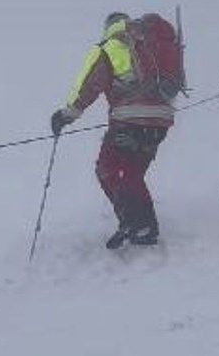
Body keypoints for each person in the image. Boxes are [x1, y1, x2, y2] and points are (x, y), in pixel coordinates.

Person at [51, 12, 176, 249]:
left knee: (107, 169)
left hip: (128, 121)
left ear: (109, 27)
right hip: (160, 121)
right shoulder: (149, 45)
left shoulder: (109, 47)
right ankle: (139, 223)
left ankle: (138, 223)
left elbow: (89, 85)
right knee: (132, 173)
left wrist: (67, 114)